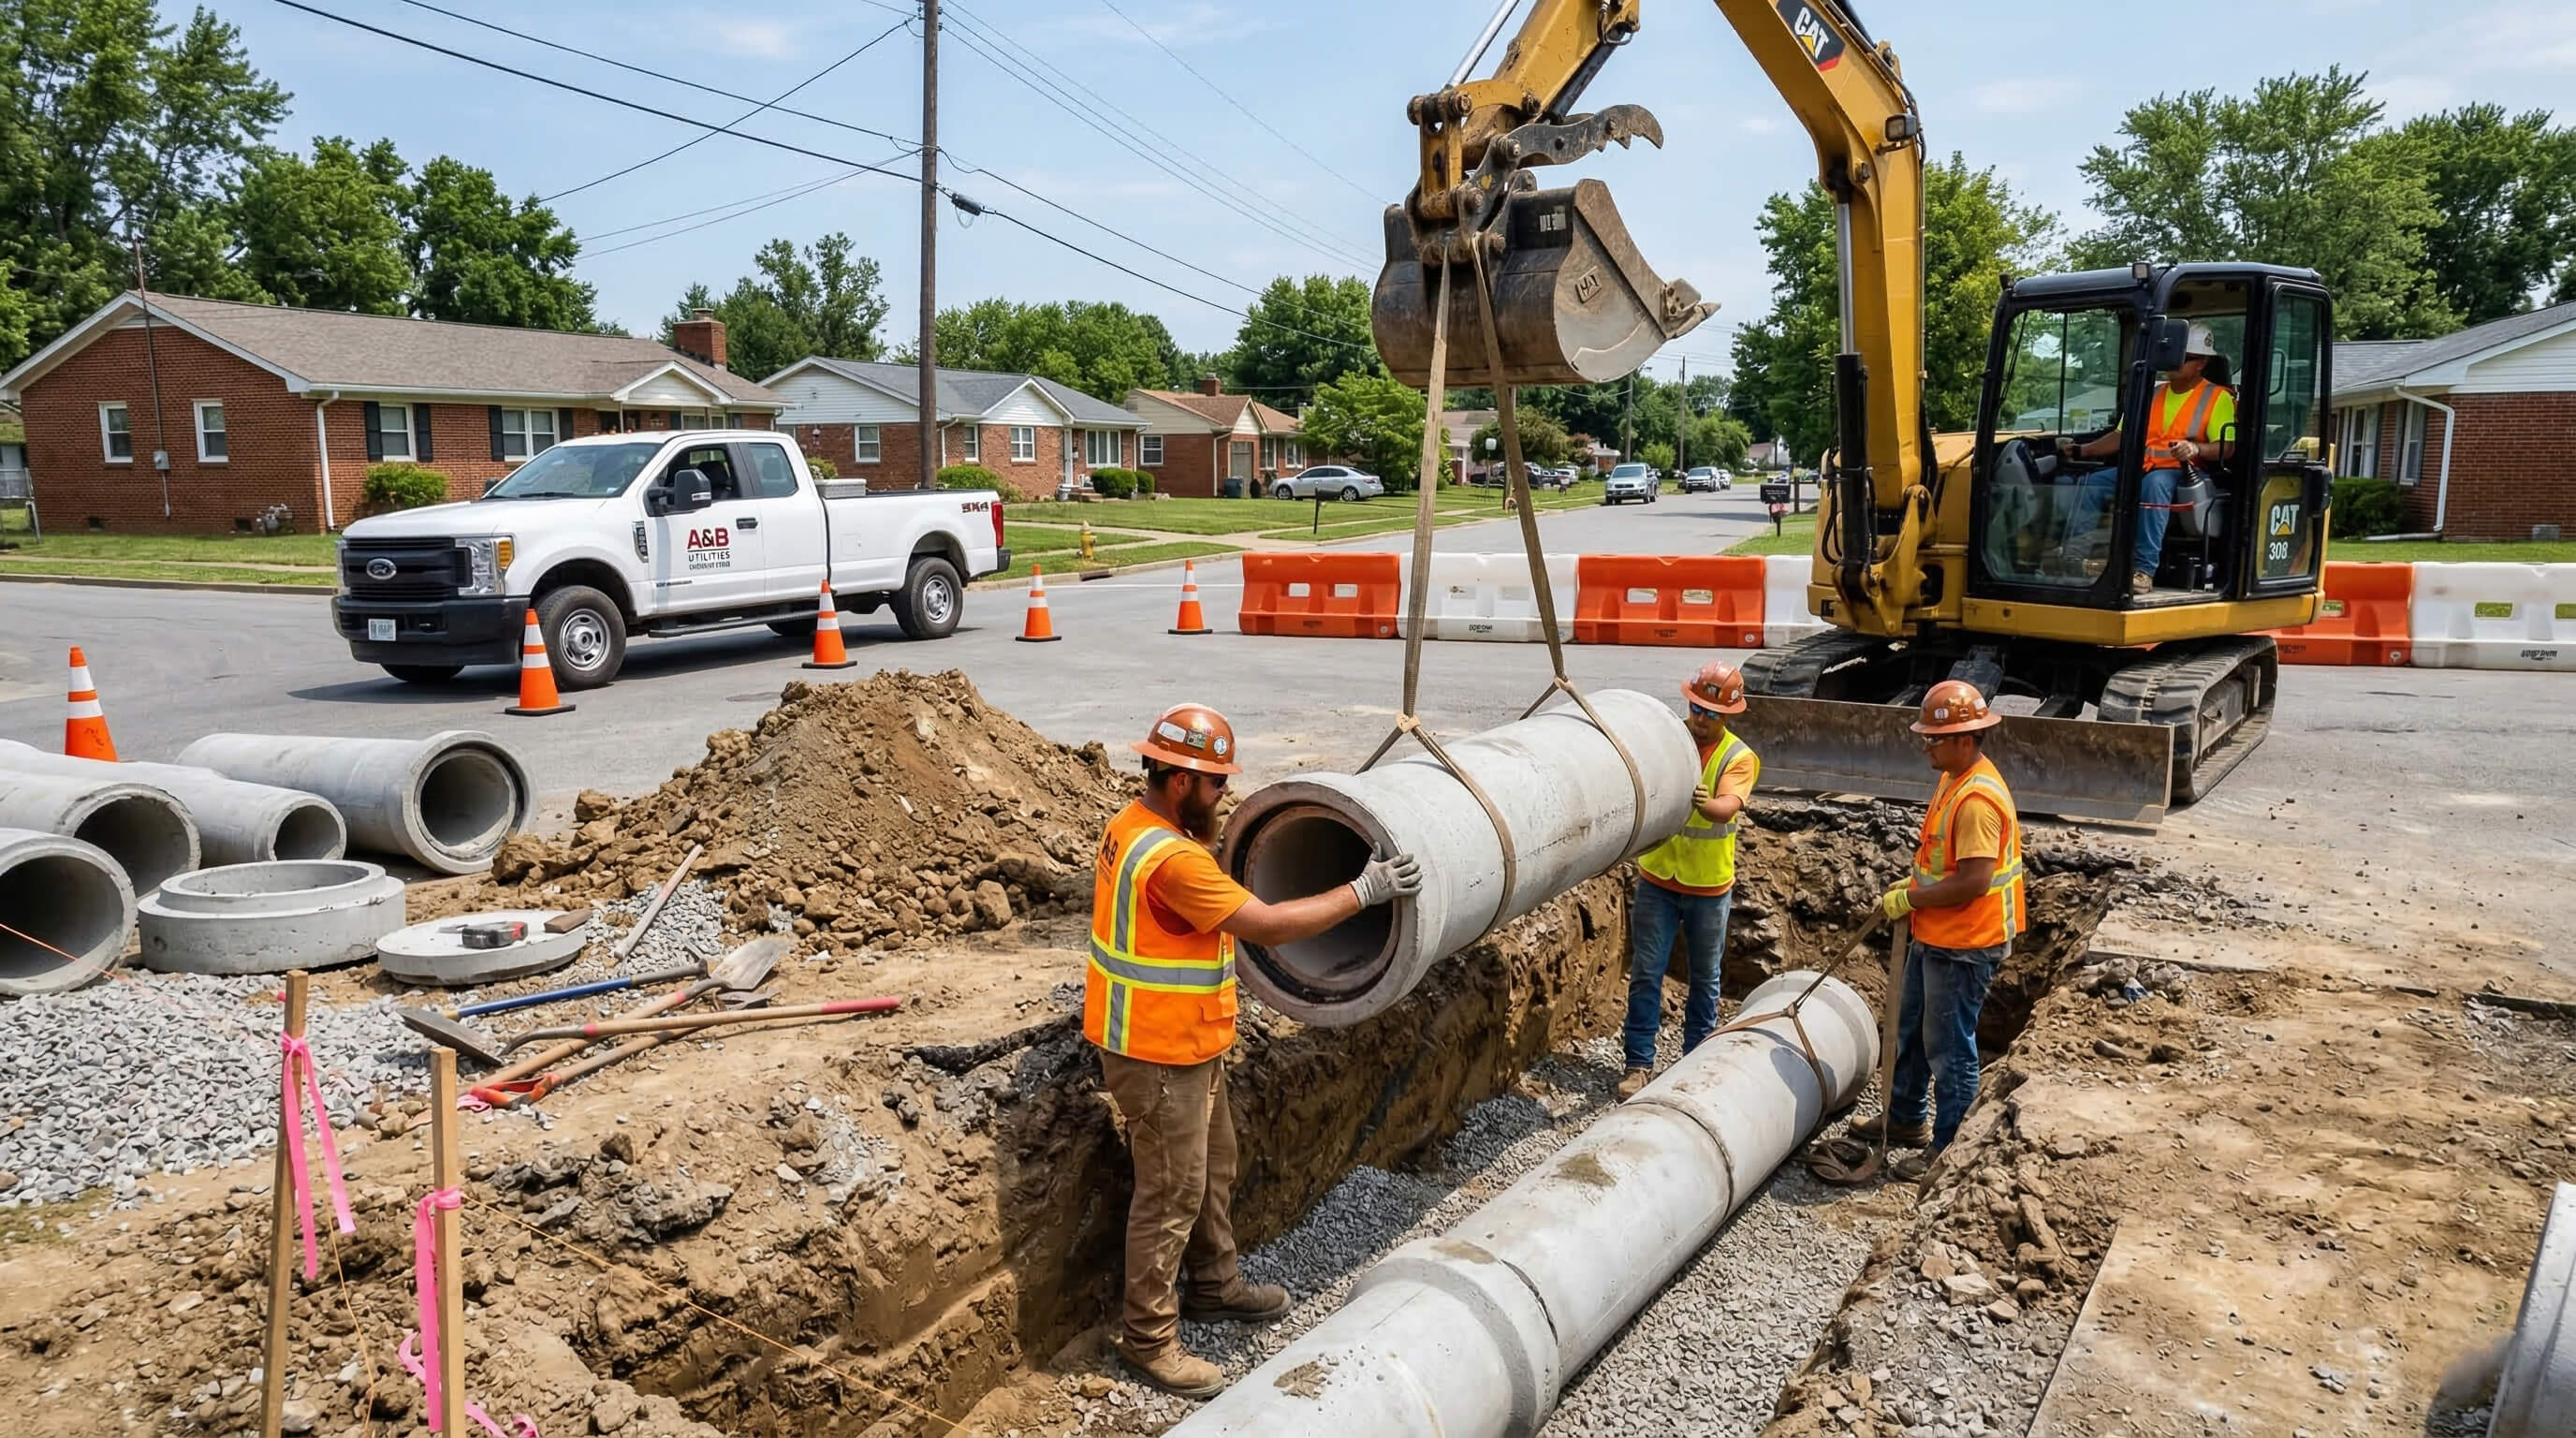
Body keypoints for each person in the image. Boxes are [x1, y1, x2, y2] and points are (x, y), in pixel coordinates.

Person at [1087, 702, 1423, 1397]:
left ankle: (1214, 1285)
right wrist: (1364, 890)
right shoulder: (1174, 860)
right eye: (1216, 784)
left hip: (1183, 1042)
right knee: (1172, 1191)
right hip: (1156, 1053)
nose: (1225, 794)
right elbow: (1267, 925)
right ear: (1180, 782)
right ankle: (1149, 1341)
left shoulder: (1135, 823)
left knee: (1212, 1168)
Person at [1855, 680, 2026, 1182]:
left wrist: (1912, 897)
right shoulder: (1954, 777)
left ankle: (1949, 1149)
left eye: (1933, 737)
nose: (1924, 744)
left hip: (1965, 943)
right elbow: (1941, 860)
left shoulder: (1976, 799)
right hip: (1937, 932)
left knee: (1949, 1047)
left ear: (1965, 738)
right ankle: (1905, 1119)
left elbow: (1973, 881)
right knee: (1910, 1028)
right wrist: (1914, 886)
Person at [1617, 661, 1762, 1100]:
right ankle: (1638, 1063)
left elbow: (1729, 806)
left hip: (1707, 887)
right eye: (1697, 709)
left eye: (1712, 714)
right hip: (1659, 877)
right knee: (1646, 972)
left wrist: (1708, 802)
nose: (1701, 720)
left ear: (1730, 716)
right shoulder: (1669, 738)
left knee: (1705, 977)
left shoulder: (1738, 757)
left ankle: (1694, 1063)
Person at [2058, 320, 2236, 594]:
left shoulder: (2216, 398)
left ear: (2200, 363)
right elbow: (2122, 436)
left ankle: (2143, 570)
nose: (2172, 362)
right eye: (2171, 355)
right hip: (2142, 469)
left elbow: (2227, 448)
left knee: (2155, 484)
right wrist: (2083, 450)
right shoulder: (2151, 393)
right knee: (2093, 484)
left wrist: (2196, 449)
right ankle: (2074, 558)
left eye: (2182, 358)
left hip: (2185, 474)